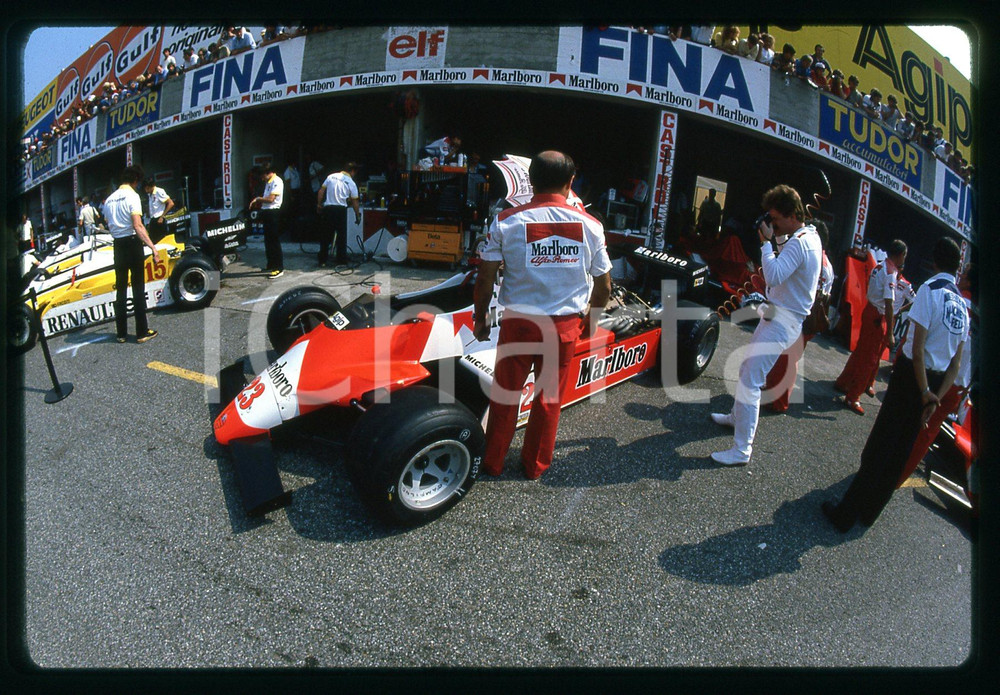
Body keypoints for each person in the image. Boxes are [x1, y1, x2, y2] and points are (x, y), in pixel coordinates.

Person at [472, 150, 612, 480]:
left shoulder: (506, 221)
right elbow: (604, 286)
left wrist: (481, 318)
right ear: (571, 182)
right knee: (548, 401)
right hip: (564, 327)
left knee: (505, 396)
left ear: (530, 180)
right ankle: (534, 467)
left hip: (518, 322)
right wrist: (591, 323)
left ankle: (492, 462)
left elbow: (485, 276)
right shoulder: (591, 226)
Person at [822, 237, 969, 533]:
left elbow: (917, 348)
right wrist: (934, 397)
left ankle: (845, 514)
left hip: (912, 378)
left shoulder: (931, 290)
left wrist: (925, 390)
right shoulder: (961, 308)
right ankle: (869, 512)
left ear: (935, 261)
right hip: (938, 384)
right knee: (901, 451)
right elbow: (955, 364)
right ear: (957, 267)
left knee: (881, 445)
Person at [709, 185, 822, 466]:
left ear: (792, 215)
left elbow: (772, 275)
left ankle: (741, 450)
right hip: (780, 315)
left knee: (751, 381)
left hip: (783, 319)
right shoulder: (808, 236)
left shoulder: (798, 242)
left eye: (775, 218)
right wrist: (777, 240)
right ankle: (737, 418)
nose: (772, 224)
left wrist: (766, 243)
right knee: (748, 366)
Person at [897, 261, 976, 486]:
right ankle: (898, 478)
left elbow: (920, 340)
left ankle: (889, 474)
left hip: (935, 376)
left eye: (964, 275)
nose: (959, 277)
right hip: (957, 385)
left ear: (969, 280)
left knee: (908, 429)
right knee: (925, 436)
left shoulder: (952, 299)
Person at [762, 220, 835, 413]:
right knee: (785, 358)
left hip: (801, 315)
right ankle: (773, 392)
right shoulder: (826, 263)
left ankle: (779, 402)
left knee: (786, 360)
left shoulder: (812, 256)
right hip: (809, 317)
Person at [834, 240, 907, 415]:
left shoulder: (879, 266)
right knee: (870, 359)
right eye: (904, 255)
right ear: (899, 255)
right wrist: (890, 332)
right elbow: (889, 304)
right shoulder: (891, 273)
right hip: (878, 316)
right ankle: (853, 396)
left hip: (869, 310)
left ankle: (843, 382)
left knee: (860, 351)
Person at [102, 166, 160, 343]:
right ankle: (142, 332)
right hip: (132, 243)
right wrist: (153, 248)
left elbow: (106, 222)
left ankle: (121, 334)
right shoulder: (133, 196)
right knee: (137, 289)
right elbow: (138, 225)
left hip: (118, 245)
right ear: (135, 180)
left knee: (120, 289)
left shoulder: (109, 200)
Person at [316, 161, 361, 267]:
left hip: (328, 209)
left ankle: (322, 260)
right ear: (353, 171)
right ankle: (341, 260)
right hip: (340, 211)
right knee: (341, 237)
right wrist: (357, 214)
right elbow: (355, 201)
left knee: (325, 236)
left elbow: (321, 191)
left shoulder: (331, 176)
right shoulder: (351, 182)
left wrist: (319, 205)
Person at [250, 161, 284, 278]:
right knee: (268, 241)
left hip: (273, 212)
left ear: (267, 173)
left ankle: (278, 267)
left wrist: (258, 199)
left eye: (262, 175)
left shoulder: (277, 181)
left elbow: (270, 199)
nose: (261, 178)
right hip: (266, 212)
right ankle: (271, 264)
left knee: (274, 241)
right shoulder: (268, 182)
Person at [142, 178, 175, 243]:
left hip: (159, 219)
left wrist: (162, 216)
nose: (146, 190)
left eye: (147, 188)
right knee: (153, 240)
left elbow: (171, 203)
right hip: (153, 219)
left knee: (161, 241)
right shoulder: (150, 194)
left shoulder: (159, 191)